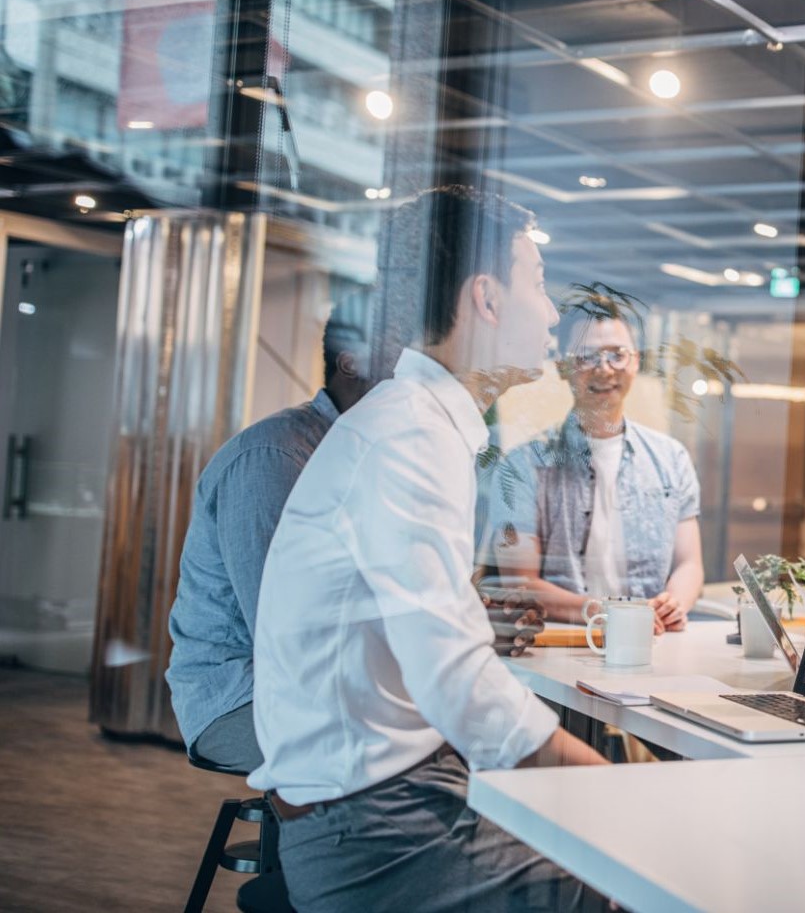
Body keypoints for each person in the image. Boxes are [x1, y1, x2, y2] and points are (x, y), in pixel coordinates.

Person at [250, 186, 608, 913]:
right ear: (486, 298)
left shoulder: (414, 422)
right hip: (372, 829)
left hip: (377, 802)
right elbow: (458, 683)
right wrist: (611, 784)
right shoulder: (411, 433)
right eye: (537, 285)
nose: (550, 312)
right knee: (623, 879)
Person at [166, 293, 381, 771]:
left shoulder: (363, 458)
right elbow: (284, 626)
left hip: (322, 686)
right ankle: (319, 846)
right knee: (426, 757)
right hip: (242, 696)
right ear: (353, 361)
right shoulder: (274, 457)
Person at [478, 299, 703, 634]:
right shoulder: (522, 466)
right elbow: (519, 581)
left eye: (617, 354)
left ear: (635, 361)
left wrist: (674, 603)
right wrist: (606, 613)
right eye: (586, 356)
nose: (604, 368)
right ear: (563, 367)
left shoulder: (671, 459)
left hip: (652, 642)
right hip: (563, 643)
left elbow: (690, 563)